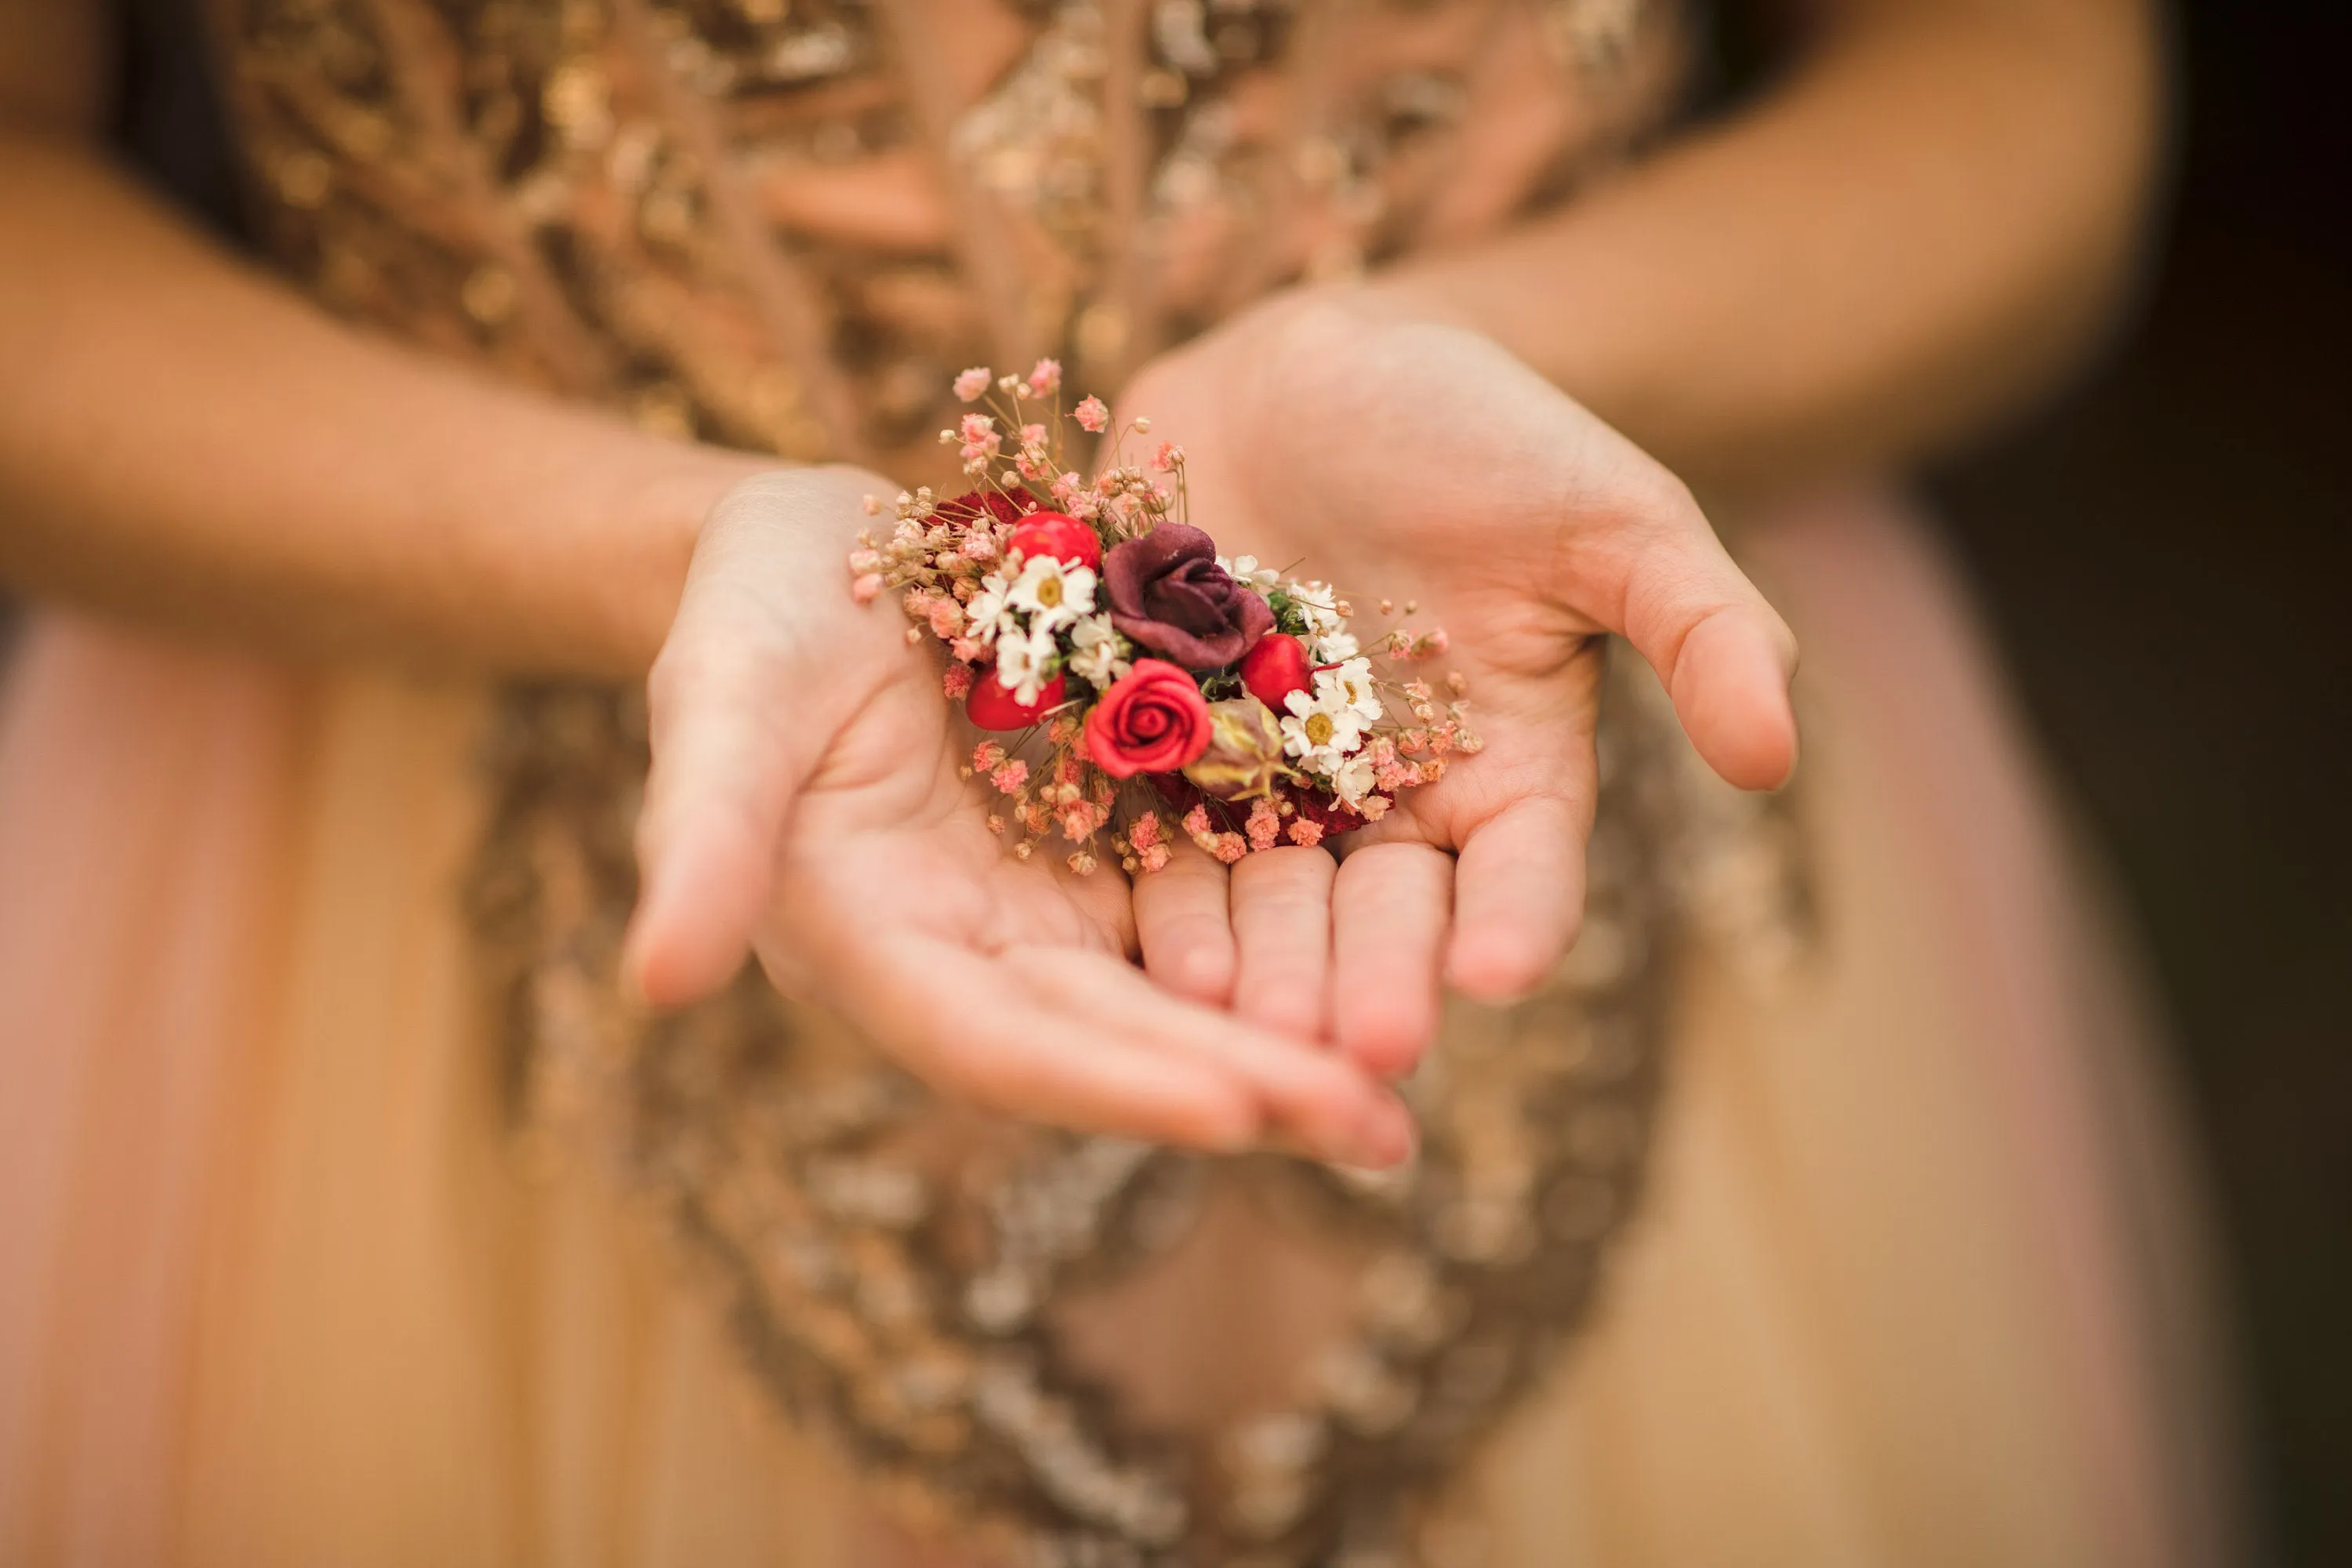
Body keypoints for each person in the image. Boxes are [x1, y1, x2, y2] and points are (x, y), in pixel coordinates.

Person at [0, 1, 2239, 1563]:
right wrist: (658, 548)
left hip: (1537, 707)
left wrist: (1505, 368)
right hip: (388, 903)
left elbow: (2026, 67)